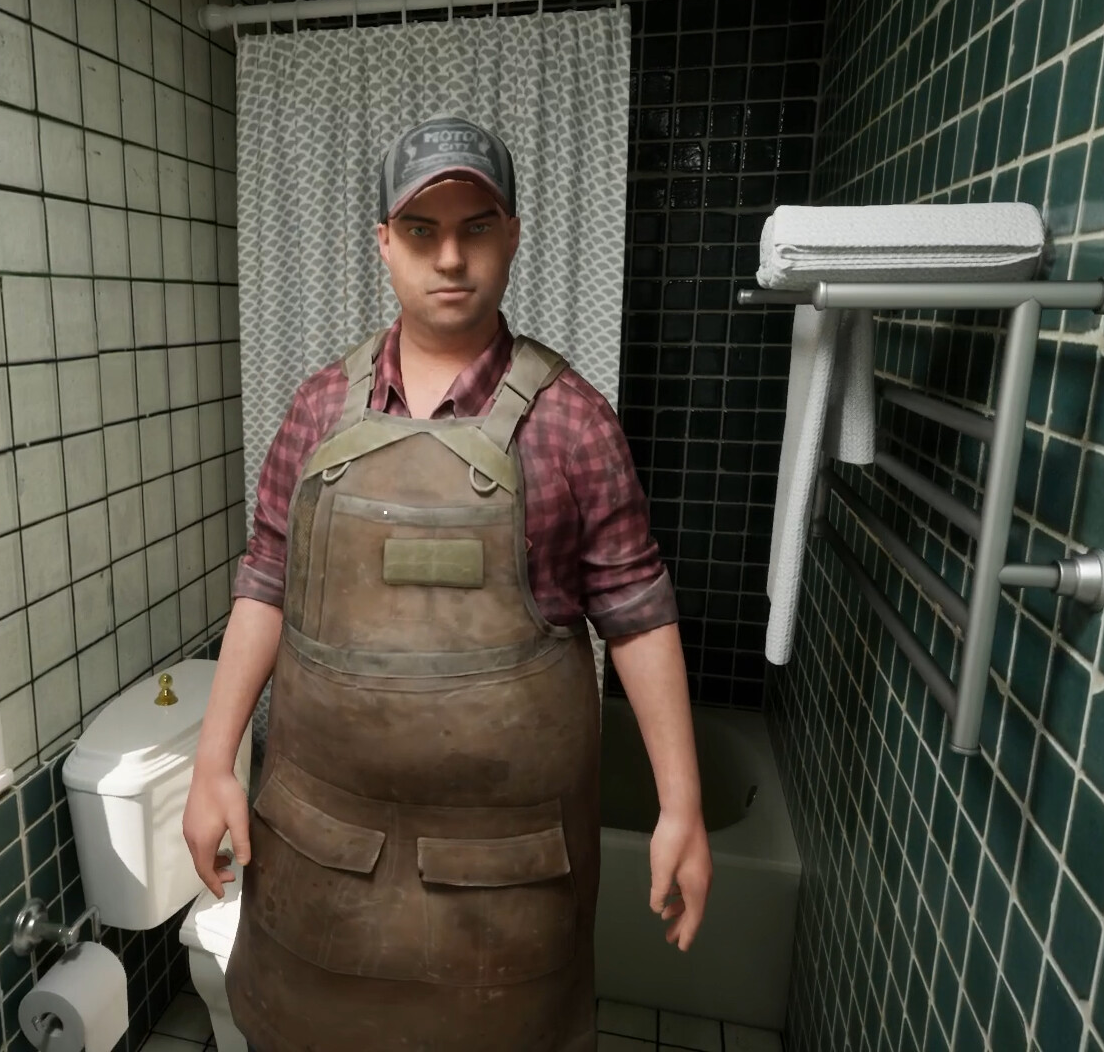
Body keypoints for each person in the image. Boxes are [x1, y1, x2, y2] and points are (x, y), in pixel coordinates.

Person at [180, 115, 713, 1051]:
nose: (451, 258)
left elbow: (636, 612)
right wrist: (212, 762)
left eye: (477, 228)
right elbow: (265, 577)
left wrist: (682, 805)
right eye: (422, 231)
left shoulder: (572, 423)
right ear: (384, 243)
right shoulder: (317, 407)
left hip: (504, 892)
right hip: (316, 862)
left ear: (513, 237)